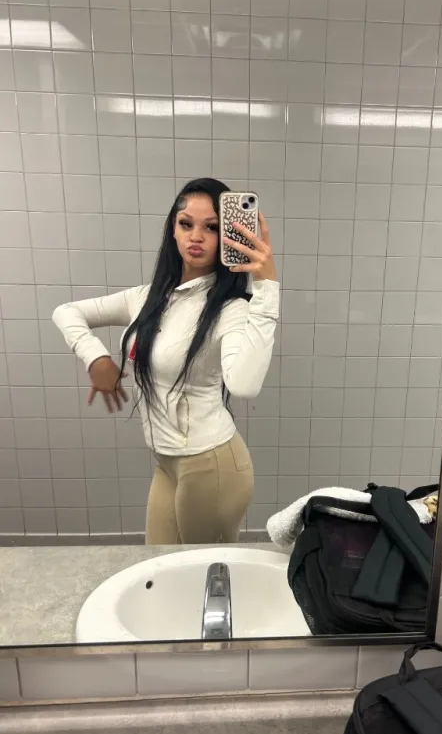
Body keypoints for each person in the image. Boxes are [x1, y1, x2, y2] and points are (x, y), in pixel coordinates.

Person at [53, 178, 279, 545]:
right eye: (186, 223)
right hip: (167, 463)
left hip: (212, 466)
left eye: (212, 228)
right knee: (158, 562)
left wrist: (266, 288)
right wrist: (95, 357)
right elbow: (66, 312)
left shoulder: (231, 309)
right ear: (172, 229)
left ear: (228, 237)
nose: (196, 236)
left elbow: (244, 385)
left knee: (204, 571)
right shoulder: (145, 298)